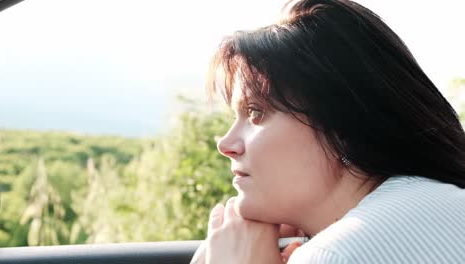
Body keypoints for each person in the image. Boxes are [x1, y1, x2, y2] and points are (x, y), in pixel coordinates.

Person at [191, 0, 465, 263]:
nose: (226, 144)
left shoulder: (333, 255)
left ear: (341, 125)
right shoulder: (448, 201)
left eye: (255, 112)